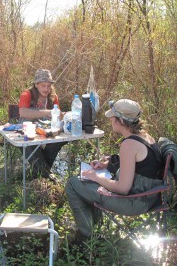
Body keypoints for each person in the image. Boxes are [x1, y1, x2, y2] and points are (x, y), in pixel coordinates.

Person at [65, 99, 163, 241]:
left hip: (134, 203)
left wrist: (96, 177)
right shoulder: (145, 136)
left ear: (122, 122)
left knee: (73, 184)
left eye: (113, 117)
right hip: (149, 196)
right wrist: (108, 164)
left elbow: (123, 188)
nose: (110, 119)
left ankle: (85, 236)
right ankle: (94, 225)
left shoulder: (129, 144)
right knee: (88, 183)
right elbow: (141, 166)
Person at [18, 69, 65, 180]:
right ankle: (46, 175)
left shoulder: (53, 97)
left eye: (49, 86)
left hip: (46, 131)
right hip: (28, 130)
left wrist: (64, 116)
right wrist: (46, 112)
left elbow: (58, 115)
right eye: (43, 86)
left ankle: (40, 172)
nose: (46, 89)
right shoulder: (27, 94)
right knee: (28, 144)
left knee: (57, 142)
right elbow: (22, 112)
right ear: (36, 85)